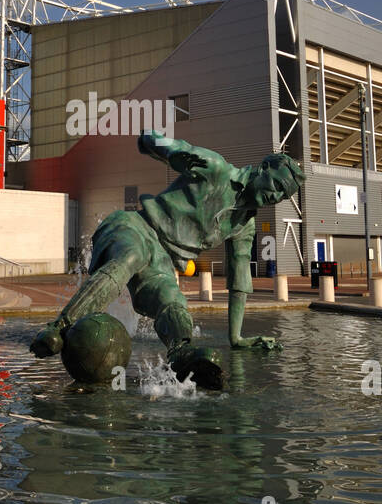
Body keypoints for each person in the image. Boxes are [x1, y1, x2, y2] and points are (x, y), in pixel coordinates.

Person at [30, 130, 303, 389]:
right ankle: (58, 328)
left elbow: (239, 283)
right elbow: (159, 144)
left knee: (172, 301)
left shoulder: (245, 225)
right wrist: (155, 142)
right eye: (277, 185)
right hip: (134, 226)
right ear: (264, 168)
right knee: (131, 256)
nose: (275, 196)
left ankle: (181, 353)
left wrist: (237, 339)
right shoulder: (215, 169)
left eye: (283, 195)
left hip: (161, 258)